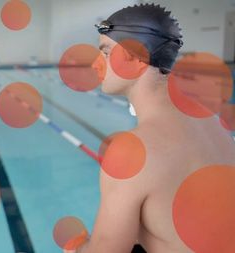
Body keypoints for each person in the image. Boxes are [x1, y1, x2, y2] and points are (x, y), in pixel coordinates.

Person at [66, 4, 235, 253]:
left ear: (134, 58)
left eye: (105, 52)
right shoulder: (211, 120)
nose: (95, 65)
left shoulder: (131, 151)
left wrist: (76, 249)